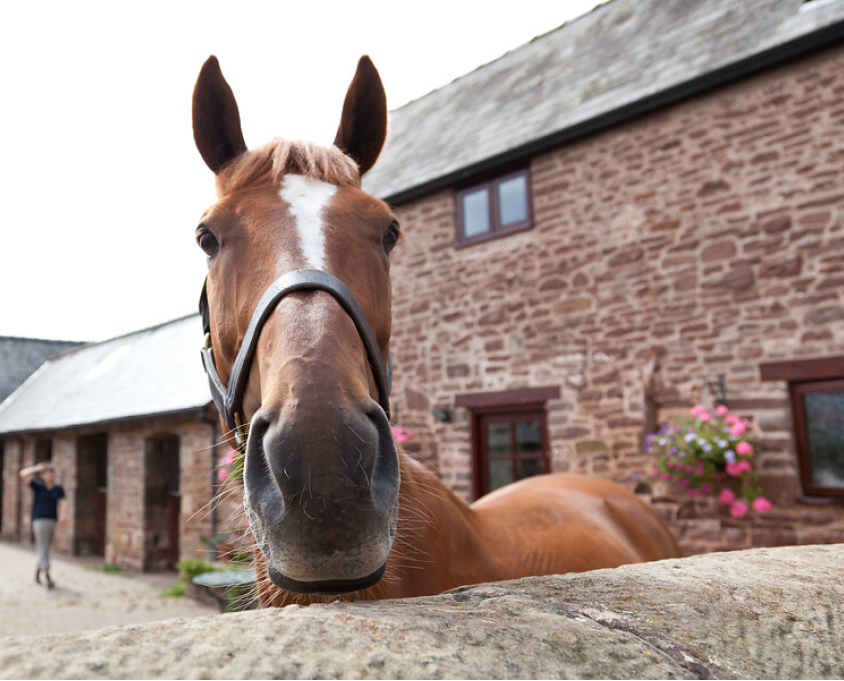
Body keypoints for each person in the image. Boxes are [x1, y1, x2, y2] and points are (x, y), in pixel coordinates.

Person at [19, 461, 67, 588]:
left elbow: (63, 502)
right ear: (43, 475)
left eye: (51, 474)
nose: (50, 476)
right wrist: (36, 468)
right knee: (43, 547)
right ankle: (47, 576)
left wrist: (63, 515)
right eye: (47, 474)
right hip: (39, 520)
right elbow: (23, 474)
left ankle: (37, 572)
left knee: (45, 548)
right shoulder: (38, 486)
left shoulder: (58, 488)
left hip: (51, 520)